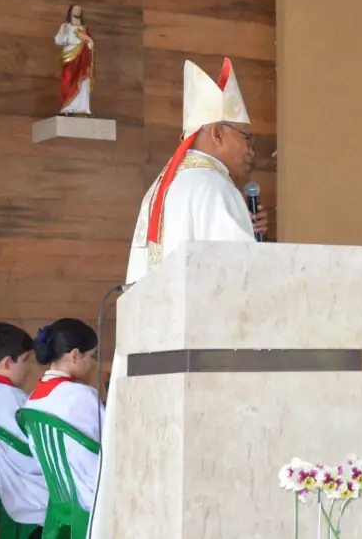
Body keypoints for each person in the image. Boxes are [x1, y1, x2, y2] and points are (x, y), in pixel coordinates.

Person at [88, 57, 269, 539]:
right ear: (214, 135)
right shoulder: (212, 186)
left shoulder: (163, 187)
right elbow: (243, 285)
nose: (253, 150)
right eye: (245, 137)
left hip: (158, 363)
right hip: (204, 370)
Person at [25, 319, 102, 511]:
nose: (94, 364)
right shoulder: (81, 395)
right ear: (75, 355)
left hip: (62, 494)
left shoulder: (32, 400)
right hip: (92, 494)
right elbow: (111, 440)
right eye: (92, 357)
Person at [0, 324, 47, 535]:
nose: (28, 368)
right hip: (30, 493)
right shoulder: (16, 400)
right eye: (26, 360)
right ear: (7, 362)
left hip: (5, 490)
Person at [54, 3, 94, 117]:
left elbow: (90, 43)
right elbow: (58, 40)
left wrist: (89, 42)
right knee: (68, 80)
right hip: (70, 57)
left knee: (83, 80)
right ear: (70, 11)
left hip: (82, 58)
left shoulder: (84, 29)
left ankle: (82, 107)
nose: (77, 11)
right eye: (75, 9)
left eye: (79, 10)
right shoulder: (65, 26)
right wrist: (65, 34)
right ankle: (68, 106)